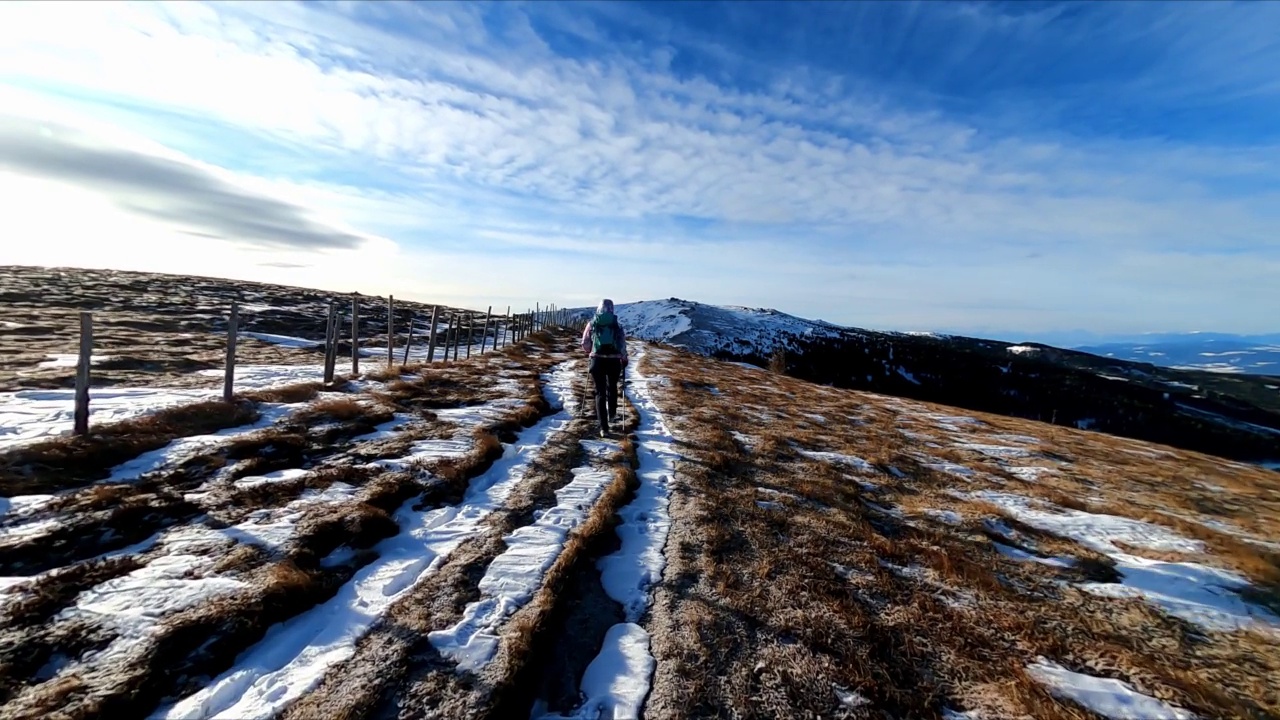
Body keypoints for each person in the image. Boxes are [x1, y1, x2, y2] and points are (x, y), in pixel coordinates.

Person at [580, 298, 628, 438]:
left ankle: (603, 428)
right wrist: (624, 358)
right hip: (614, 361)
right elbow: (622, 344)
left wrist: (590, 352)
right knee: (612, 387)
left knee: (600, 393)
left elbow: (585, 343)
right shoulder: (617, 325)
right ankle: (612, 415)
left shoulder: (592, 323)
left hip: (597, 361)